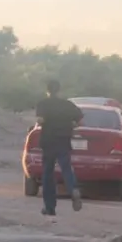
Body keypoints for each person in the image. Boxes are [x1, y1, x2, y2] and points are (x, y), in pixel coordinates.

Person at [35, 79, 84, 216]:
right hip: (63, 140)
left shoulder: (43, 104)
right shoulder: (68, 105)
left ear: (47, 90)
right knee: (66, 168)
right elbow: (81, 121)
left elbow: (40, 120)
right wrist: (71, 125)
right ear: (59, 90)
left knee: (47, 173)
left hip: (48, 141)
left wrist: (43, 121)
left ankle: (49, 207)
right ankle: (73, 188)